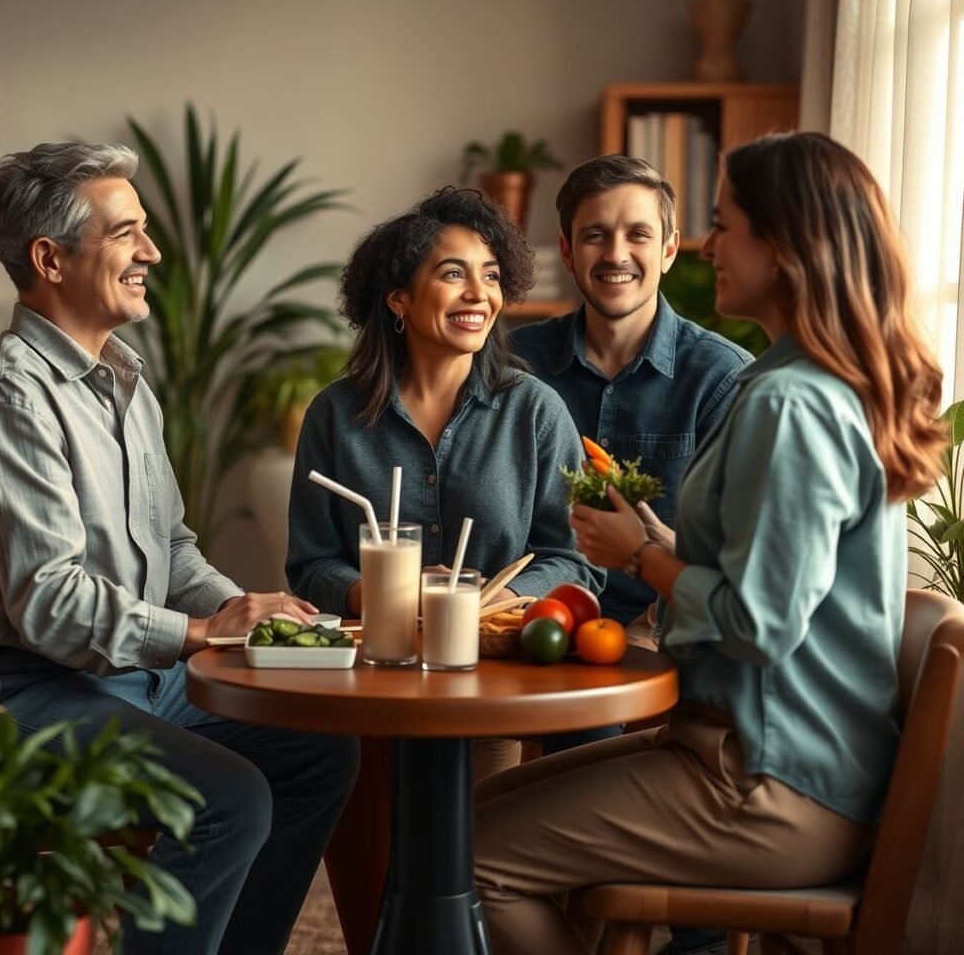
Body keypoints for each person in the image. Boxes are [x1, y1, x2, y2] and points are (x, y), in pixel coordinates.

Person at [473, 131, 946, 955]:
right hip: (754, 757)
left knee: (470, 863)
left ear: (789, 247)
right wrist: (658, 537)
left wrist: (641, 557)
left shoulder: (786, 403)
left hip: (767, 784)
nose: (709, 245)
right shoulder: (795, 384)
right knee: (475, 824)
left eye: (726, 226)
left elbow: (761, 625)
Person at [0, 143, 359, 955]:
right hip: (9, 692)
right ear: (49, 258)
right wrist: (204, 633)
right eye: (126, 233)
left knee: (317, 755)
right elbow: (50, 605)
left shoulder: (125, 381)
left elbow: (171, 551)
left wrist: (261, 618)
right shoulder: (7, 395)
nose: (152, 253)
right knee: (229, 798)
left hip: (125, 679)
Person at [286, 186, 605, 955]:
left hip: (490, 681)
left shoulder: (535, 411)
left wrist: (484, 601)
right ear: (397, 298)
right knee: (374, 895)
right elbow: (310, 564)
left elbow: (572, 559)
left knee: (476, 871)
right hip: (372, 680)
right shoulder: (336, 416)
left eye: (492, 275)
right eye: (454, 274)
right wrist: (374, 593)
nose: (480, 294)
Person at [513, 155, 751, 955]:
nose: (617, 252)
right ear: (567, 248)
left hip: (672, 640)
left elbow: (730, 567)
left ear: (672, 246)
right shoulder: (518, 364)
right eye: (595, 235)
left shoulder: (725, 380)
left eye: (637, 233)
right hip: (535, 630)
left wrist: (647, 562)